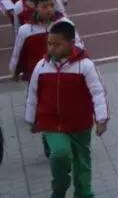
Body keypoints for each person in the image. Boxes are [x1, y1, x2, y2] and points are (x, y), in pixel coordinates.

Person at [25, 20, 109, 198]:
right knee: (60, 153)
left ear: (71, 43)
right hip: (51, 123)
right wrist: (31, 119)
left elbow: (98, 92)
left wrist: (102, 119)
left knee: (82, 160)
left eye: (57, 44)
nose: (52, 47)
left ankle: (83, 192)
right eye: (49, 43)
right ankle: (60, 187)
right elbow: (33, 94)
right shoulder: (41, 66)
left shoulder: (85, 66)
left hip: (80, 123)